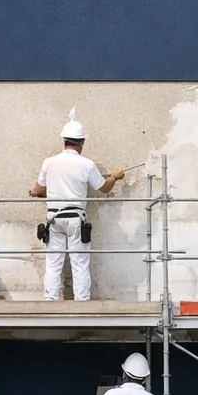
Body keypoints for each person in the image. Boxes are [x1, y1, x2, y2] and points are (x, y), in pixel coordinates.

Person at [28, 111, 125, 301]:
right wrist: (114, 176)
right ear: (82, 142)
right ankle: (81, 302)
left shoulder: (49, 162)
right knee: (79, 263)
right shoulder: (86, 164)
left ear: (64, 140)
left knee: (53, 264)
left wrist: (44, 192)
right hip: (76, 220)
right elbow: (104, 187)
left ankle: (50, 301)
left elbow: (38, 190)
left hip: (54, 219)